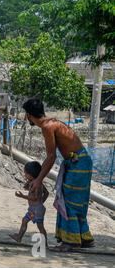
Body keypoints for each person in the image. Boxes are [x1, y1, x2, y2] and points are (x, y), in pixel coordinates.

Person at [23, 98, 94, 252]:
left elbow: (51, 157)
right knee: (75, 202)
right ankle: (83, 238)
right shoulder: (52, 123)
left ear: (29, 115)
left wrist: (38, 180)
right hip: (79, 162)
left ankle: (71, 242)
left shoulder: (47, 126)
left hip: (78, 164)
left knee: (69, 202)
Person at [10, 161, 49, 245]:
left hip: (37, 209)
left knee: (40, 226)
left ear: (30, 174)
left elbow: (35, 197)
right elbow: (46, 193)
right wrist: (41, 202)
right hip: (33, 209)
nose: (24, 175)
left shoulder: (37, 185)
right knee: (24, 220)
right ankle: (19, 237)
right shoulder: (36, 182)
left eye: (26, 173)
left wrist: (23, 196)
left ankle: (45, 243)